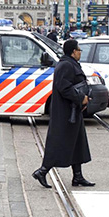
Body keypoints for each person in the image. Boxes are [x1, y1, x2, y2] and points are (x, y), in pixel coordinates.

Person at [32, 39, 94, 188]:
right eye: (79, 49)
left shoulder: (69, 63)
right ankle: (42, 171)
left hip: (73, 109)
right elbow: (64, 87)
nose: (80, 52)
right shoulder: (66, 65)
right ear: (73, 51)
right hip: (66, 112)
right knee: (60, 142)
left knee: (77, 142)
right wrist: (81, 97)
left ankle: (77, 176)